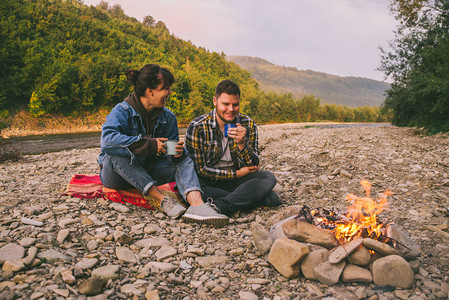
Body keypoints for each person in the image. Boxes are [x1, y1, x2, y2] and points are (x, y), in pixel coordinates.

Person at [98, 64, 229, 226]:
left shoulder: (169, 117)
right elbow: (107, 141)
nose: (170, 92)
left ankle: (197, 205)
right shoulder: (121, 111)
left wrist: (176, 152)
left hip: (150, 170)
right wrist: (150, 145)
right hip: (117, 175)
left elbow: (171, 154)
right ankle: (161, 199)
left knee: (184, 157)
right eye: (165, 88)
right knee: (114, 154)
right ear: (149, 91)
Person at [185, 79, 281, 216]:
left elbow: (253, 165)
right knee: (197, 191)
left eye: (235, 105)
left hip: (237, 181)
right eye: (226, 104)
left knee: (268, 177)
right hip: (209, 181)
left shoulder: (247, 123)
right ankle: (254, 199)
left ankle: (221, 205)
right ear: (215, 101)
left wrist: (242, 144)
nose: (231, 109)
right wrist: (237, 174)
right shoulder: (197, 126)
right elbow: (200, 170)